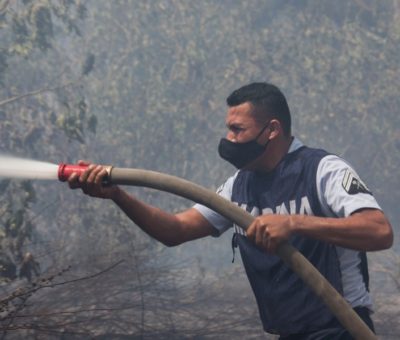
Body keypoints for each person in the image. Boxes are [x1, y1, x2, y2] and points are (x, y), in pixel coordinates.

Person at [68, 82, 393, 339]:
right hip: (290, 332)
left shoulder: (323, 170)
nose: (229, 139)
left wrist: (293, 223)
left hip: (343, 328)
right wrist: (118, 196)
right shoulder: (238, 186)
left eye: (238, 130)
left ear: (272, 129)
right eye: (228, 129)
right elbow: (176, 231)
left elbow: (378, 231)